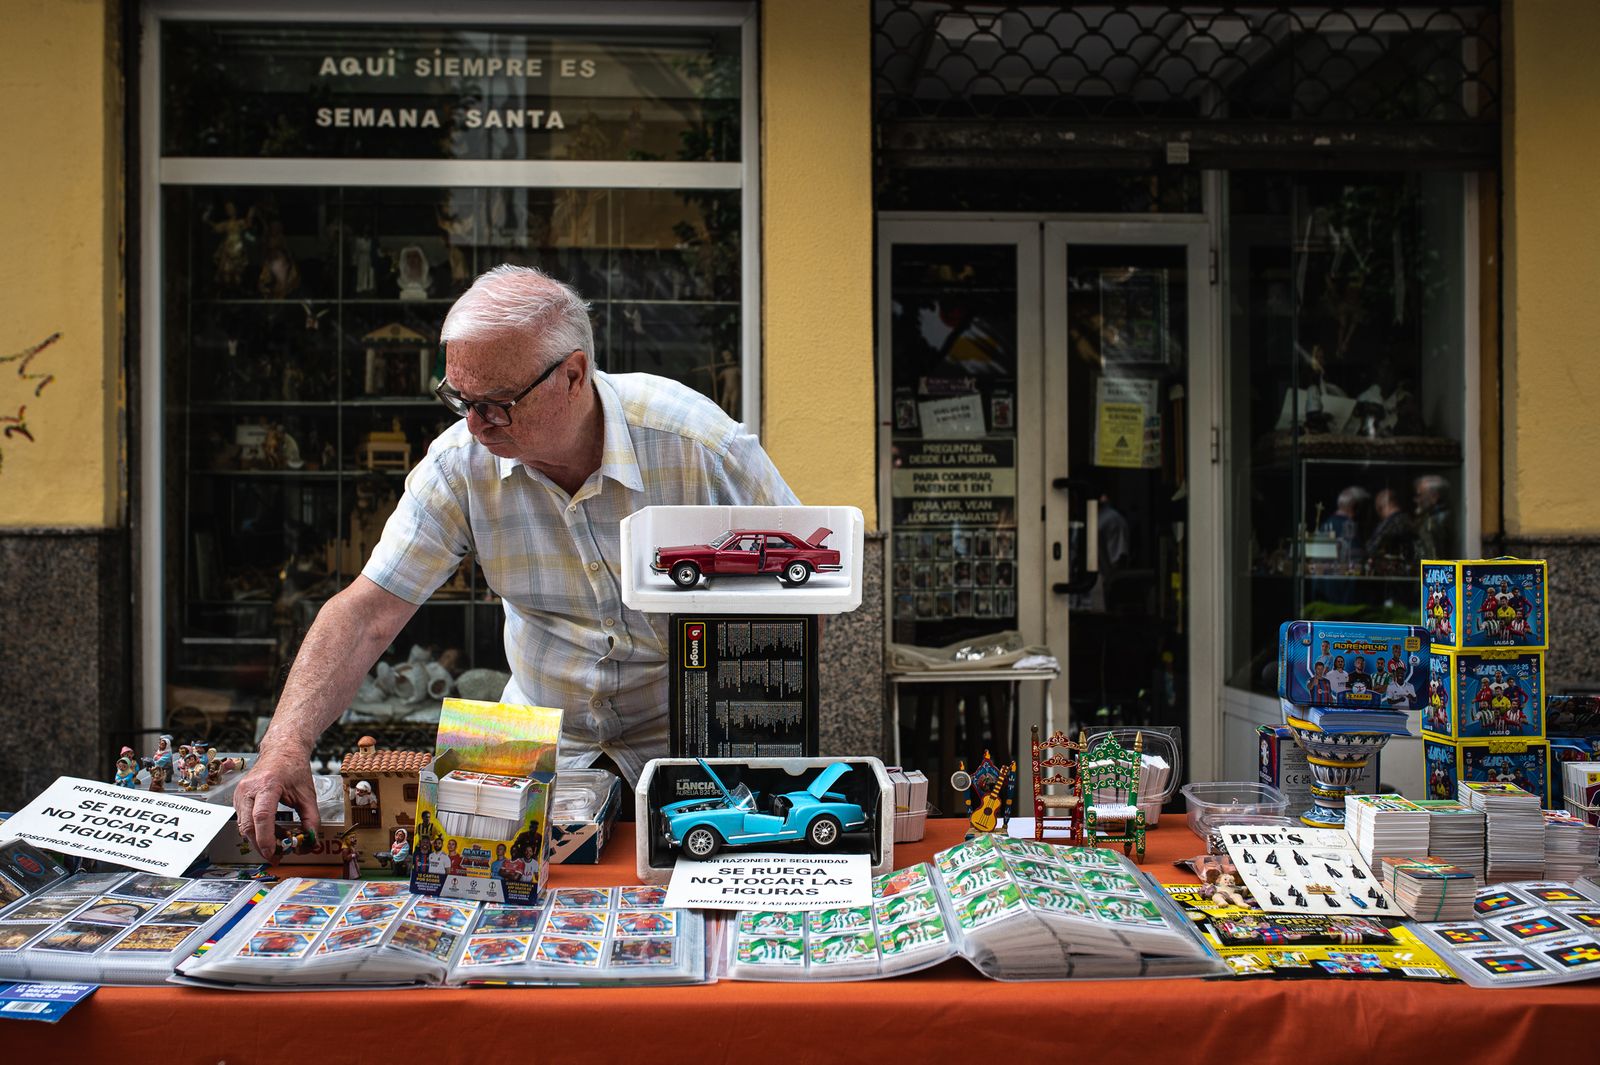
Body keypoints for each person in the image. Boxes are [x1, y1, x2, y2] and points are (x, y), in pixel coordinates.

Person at [232, 265, 800, 854]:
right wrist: (284, 745)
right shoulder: (458, 464)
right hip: (538, 732)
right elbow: (367, 612)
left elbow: (803, 582)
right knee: (503, 899)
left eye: (498, 403)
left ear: (574, 374)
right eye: (459, 399)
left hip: (687, 729)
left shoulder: (699, 445)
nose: (475, 424)